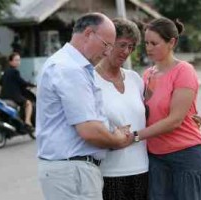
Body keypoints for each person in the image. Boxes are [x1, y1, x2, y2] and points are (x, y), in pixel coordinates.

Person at [36, 13, 133, 200]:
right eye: (107, 45)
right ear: (89, 33)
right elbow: (89, 129)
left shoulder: (71, 65)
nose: (107, 52)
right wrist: (117, 139)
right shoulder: (69, 69)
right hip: (73, 172)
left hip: (72, 170)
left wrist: (112, 131)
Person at [134, 18, 201, 200]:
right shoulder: (147, 74)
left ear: (171, 42)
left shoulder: (184, 71)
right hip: (156, 157)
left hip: (185, 155)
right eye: (146, 43)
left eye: (154, 43)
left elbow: (175, 120)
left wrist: (135, 136)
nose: (148, 48)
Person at [95, 18, 148, 200]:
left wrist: (189, 116)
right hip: (110, 173)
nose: (126, 52)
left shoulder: (135, 79)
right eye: (122, 45)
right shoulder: (91, 80)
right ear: (109, 44)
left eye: (131, 47)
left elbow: (155, 112)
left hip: (143, 168)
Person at [0, 52, 35, 128]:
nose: (18, 62)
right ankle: (27, 122)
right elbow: (21, 82)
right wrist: (32, 84)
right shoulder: (15, 72)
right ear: (10, 61)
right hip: (13, 96)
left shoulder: (5, 72)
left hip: (2, 96)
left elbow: (1, 82)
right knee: (28, 103)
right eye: (16, 60)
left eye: (19, 60)